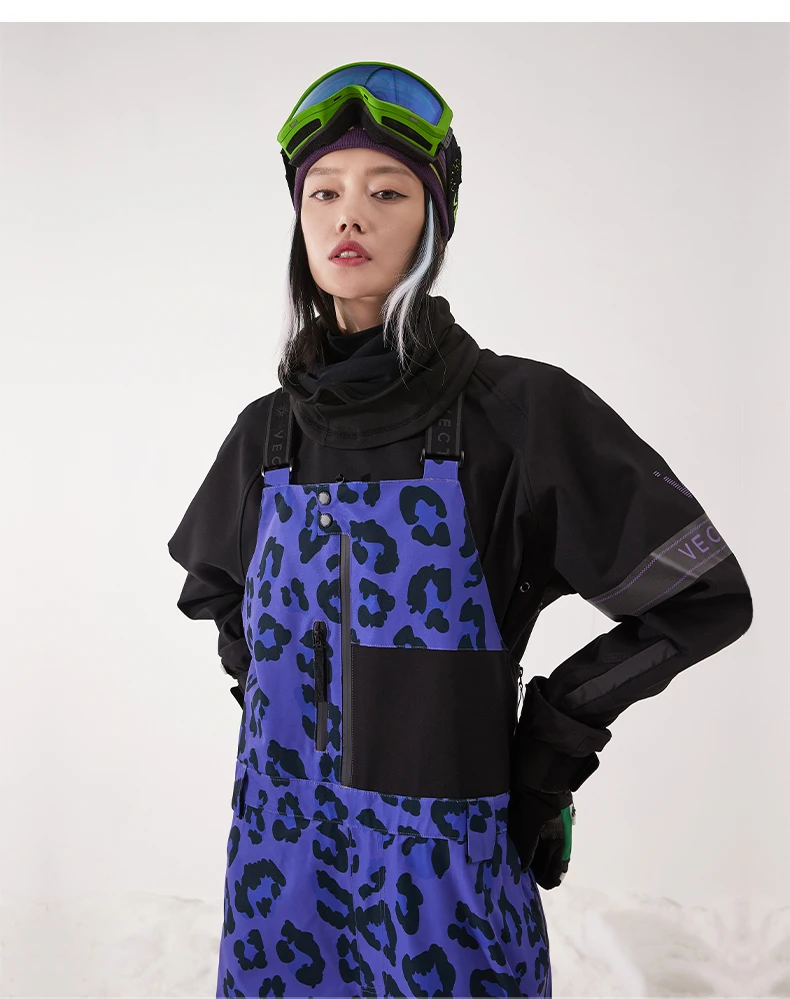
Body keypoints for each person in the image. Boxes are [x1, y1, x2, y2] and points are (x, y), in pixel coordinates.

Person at [167, 62, 753, 999]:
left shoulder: (516, 414)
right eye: (324, 192)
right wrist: (297, 710)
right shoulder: (264, 436)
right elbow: (218, 592)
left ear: (433, 226)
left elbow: (701, 597)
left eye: (387, 192)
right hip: (285, 876)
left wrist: (548, 750)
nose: (349, 217)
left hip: (443, 885)